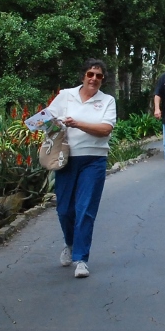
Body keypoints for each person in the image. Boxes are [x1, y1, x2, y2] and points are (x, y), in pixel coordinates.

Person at [46, 59, 117, 278]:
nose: (94, 79)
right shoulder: (66, 95)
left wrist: (76, 123)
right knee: (65, 210)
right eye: (90, 74)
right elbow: (45, 120)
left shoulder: (107, 101)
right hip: (66, 159)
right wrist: (54, 124)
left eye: (99, 76)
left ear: (103, 79)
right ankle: (70, 243)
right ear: (83, 76)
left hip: (93, 160)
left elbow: (105, 129)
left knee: (85, 209)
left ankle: (81, 259)